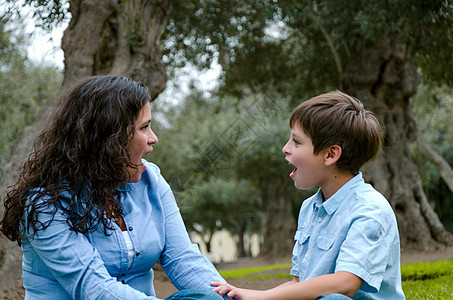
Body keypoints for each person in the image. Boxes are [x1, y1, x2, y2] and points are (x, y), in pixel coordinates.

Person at [0, 75, 224, 300]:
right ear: (108, 140)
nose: (153, 138)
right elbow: (93, 287)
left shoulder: (152, 181)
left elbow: (183, 259)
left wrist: (227, 296)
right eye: (144, 127)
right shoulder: (44, 204)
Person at [212, 91, 405, 299]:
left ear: (330, 155)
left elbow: (346, 283)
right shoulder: (309, 208)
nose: (285, 148)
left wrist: (261, 297)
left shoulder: (370, 209)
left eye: (296, 141)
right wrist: (252, 295)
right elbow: (298, 283)